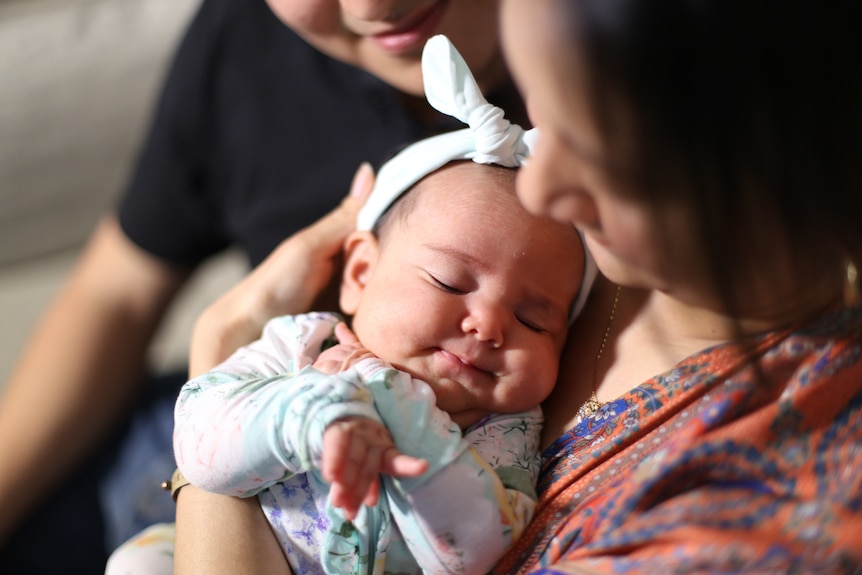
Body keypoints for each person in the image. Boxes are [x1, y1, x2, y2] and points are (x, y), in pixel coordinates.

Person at [175, 0, 862, 573]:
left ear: (775, 155)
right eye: (540, 111)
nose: (537, 188)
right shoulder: (605, 255)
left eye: (591, 143)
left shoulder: (752, 523)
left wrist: (220, 351)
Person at [0, 1, 526, 572]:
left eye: (535, 316)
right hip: (189, 434)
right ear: (357, 269)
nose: (374, 6)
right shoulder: (243, 35)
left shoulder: (601, 123)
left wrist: (222, 348)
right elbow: (118, 292)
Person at [105, 34, 592, 575]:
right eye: (450, 283)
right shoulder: (304, 341)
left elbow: (475, 551)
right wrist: (312, 415)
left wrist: (403, 413)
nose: (489, 324)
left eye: (535, 320)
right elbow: (199, 443)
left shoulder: (506, 429)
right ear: (360, 273)